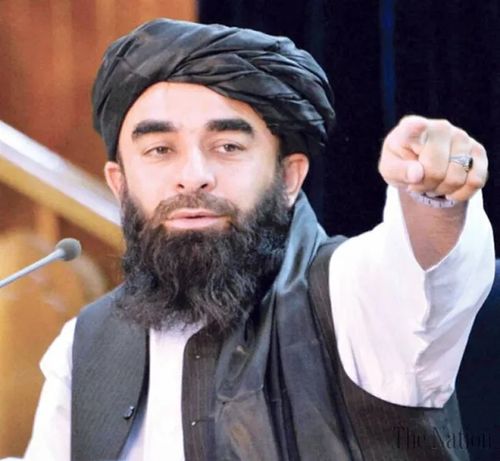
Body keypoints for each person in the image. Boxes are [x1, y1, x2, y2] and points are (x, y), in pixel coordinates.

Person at [19, 18, 494, 461]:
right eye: (160, 150)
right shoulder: (84, 345)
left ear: (289, 178)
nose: (193, 176)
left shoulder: (348, 296)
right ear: (120, 185)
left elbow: (423, 271)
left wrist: (433, 188)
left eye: (228, 147)